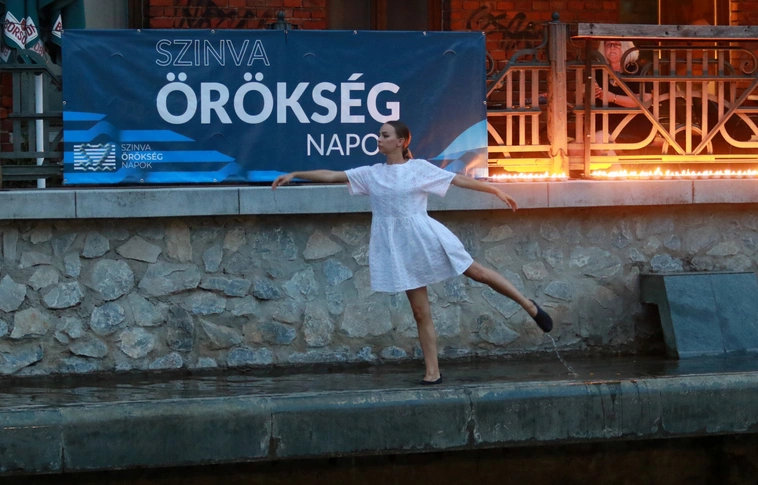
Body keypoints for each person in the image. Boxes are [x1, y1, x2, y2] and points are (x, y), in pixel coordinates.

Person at [272, 121, 553, 385]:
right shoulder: (372, 174)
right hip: (400, 249)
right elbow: (333, 175)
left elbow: (457, 180)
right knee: (420, 312)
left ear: (401, 141)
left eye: (385, 135)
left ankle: (528, 305)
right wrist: (296, 174)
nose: (379, 139)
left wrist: (494, 190)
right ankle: (433, 373)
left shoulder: (418, 169)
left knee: (477, 272)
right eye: (379, 135)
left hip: (427, 237)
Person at [593, 40, 654, 158]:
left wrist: (613, 98)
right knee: (573, 149)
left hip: (632, 124)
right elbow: (579, 96)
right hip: (603, 123)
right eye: (608, 45)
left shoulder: (638, 70)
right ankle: (616, 167)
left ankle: (616, 170)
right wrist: (589, 92)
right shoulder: (599, 71)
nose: (612, 48)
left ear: (626, 48)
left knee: (599, 139)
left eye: (617, 45)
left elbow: (645, 101)